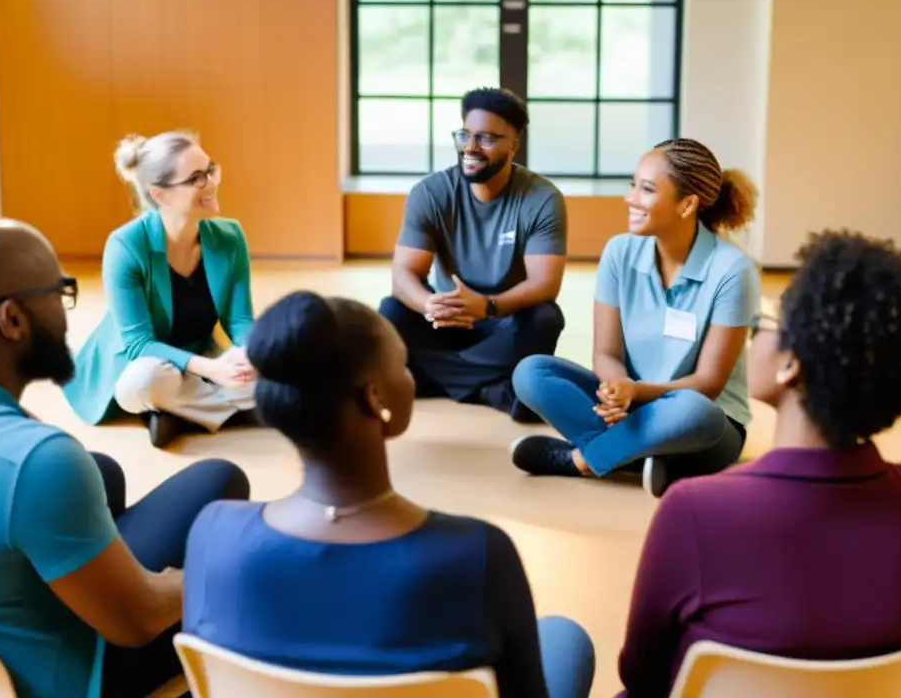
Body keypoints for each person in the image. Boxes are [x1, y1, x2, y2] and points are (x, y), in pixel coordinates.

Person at [183, 291, 595, 698]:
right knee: (564, 640)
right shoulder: (478, 554)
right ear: (375, 396)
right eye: (403, 364)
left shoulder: (212, 532)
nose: (410, 377)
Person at [616, 230, 901, 697]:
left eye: (768, 320)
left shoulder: (696, 509)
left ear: (790, 363)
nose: (758, 331)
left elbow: (641, 676)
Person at [0, 219, 251, 698]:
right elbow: (138, 623)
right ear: (12, 320)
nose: (66, 315)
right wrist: (212, 575)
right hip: (69, 676)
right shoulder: (37, 460)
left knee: (102, 471)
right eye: (61, 293)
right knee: (219, 483)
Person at [510, 137, 760, 496]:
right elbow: (606, 354)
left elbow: (708, 383)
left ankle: (578, 460)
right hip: (627, 405)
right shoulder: (619, 252)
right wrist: (615, 390)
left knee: (695, 411)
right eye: (633, 186)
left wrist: (636, 392)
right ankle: (644, 459)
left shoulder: (732, 269)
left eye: (646, 190)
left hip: (702, 419)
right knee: (532, 372)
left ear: (687, 204)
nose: (630, 199)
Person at [379, 87, 568, 422]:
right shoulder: (431, 193)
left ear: (514, 145)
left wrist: (488, 305)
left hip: (504, 320)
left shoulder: (542, 198)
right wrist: (428, 303)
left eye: (486, 139)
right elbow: (403, 275)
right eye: (465, 134)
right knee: (392, 310)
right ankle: (491, 389)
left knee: (545, 318)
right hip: (447, 319)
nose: (470, 147)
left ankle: (429, 378)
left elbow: (544, 285)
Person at [63, 130, 257, 448]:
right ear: (160, 194)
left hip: (200, 355)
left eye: (210, 170)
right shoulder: (125, 245)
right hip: (142, 362)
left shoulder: (230, 237)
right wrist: (212, 370)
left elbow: (241, 322)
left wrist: (248, 354)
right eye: (196, 178)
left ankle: (177, 415)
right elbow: (139, 343)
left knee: (279, 365)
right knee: (143, 383)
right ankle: (241, 410)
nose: (211, 183)